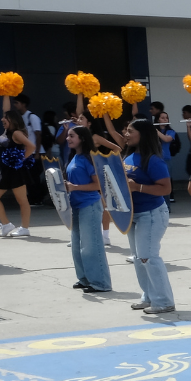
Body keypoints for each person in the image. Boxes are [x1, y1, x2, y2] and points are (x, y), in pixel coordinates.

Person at [116, 117, 175, 313]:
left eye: (130, 131)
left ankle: (164, 301)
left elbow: (166, 188)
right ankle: (148, 296)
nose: (126, 134)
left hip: (151, 214)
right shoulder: (128, 156)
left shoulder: (153, 160)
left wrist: (138, 187)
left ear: (143, 134)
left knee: (148, 256)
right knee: (137, 257)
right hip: (134, 214)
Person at [61, 124, 110, 292]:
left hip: (90, 205)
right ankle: (84, 279)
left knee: (91, 246)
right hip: (75, 206)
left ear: (82, 138)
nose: (68, 138)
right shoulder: (74, 157)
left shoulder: (89, 158)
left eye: (71, 136)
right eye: (68, 136)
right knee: (77, 246)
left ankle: (101, 283)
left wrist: (74, 187)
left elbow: (98, 185)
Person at [0, 102, 36, 238]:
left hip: (16, 171)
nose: (2, 120)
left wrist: (20, 160)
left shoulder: (16, 133)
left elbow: (31, 147)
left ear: (13, 120)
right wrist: (5, 95)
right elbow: (5, 109)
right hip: (5, 171)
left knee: (21, 200)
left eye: (6, 118)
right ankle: (6, 224)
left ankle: (24, 228)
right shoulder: (7, 132)